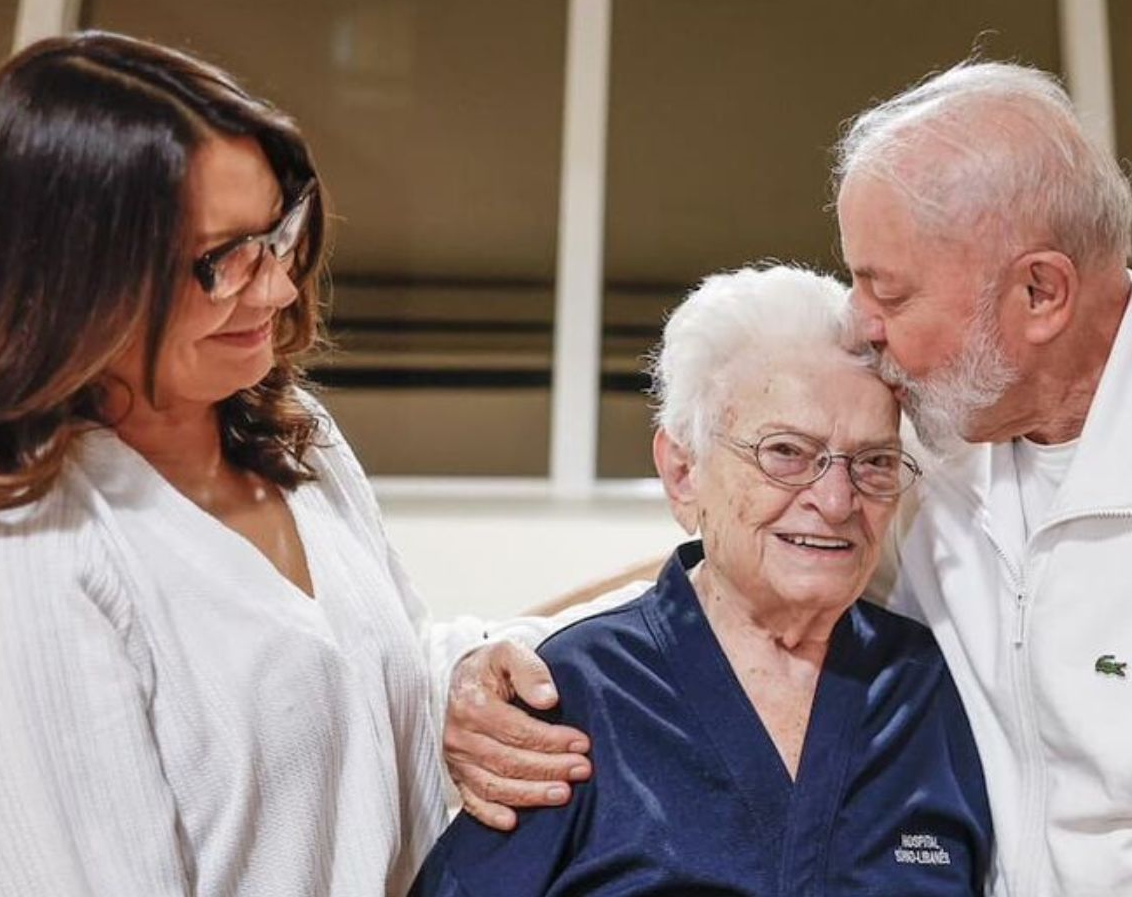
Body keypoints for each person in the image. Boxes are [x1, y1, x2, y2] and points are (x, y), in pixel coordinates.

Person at [443, 63, 1132, 895]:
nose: (860, 322)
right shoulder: (940, 433)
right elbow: (750, 572)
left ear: (1038, 292)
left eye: (887, 287)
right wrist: (513, 664)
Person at [0, 32, 490, 895]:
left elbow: (374, 675)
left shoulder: (293, 433)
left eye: (278, 234)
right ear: (70, 279)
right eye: (218, 262)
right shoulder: (12, 549)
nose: (272, 289)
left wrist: (467, 676)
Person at [410, 264, 993, 896]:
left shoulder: (935, 692)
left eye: (874, 462)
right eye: (787, 453)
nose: (834, 499)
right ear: (683, 473)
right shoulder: (579, 691)